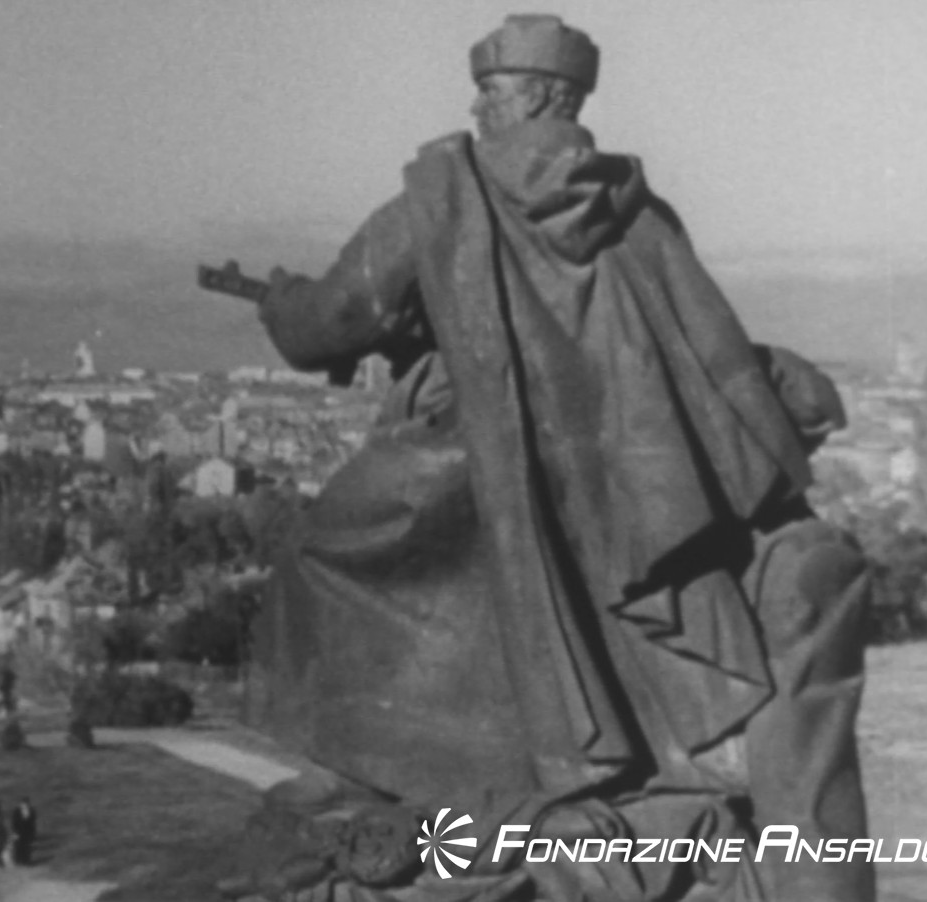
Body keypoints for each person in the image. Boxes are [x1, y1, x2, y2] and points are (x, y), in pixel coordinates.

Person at [235, 14, 873, 902]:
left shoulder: (444, 196)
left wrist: (281, 305)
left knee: (320, 559)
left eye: (489, 92)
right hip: (624, 491)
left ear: (535, 95)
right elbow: (709, 353)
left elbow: (330, 323)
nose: (477, 108)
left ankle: (393, 783)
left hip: (467, 481)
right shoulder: (638, 212)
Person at [9, 797, 38, 866]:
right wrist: (14, 833)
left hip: (27, 832)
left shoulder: (32, 811)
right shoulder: (16, 811)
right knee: (18, 847)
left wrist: (33, 833)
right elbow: (14, 823)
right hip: (18, 832)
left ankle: (26, 861)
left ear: (28, 804)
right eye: (23, 804)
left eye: (26, 804)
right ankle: (17, 861)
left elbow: (33, 823)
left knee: (27, 847)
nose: (25, 806)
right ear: (21, 804)